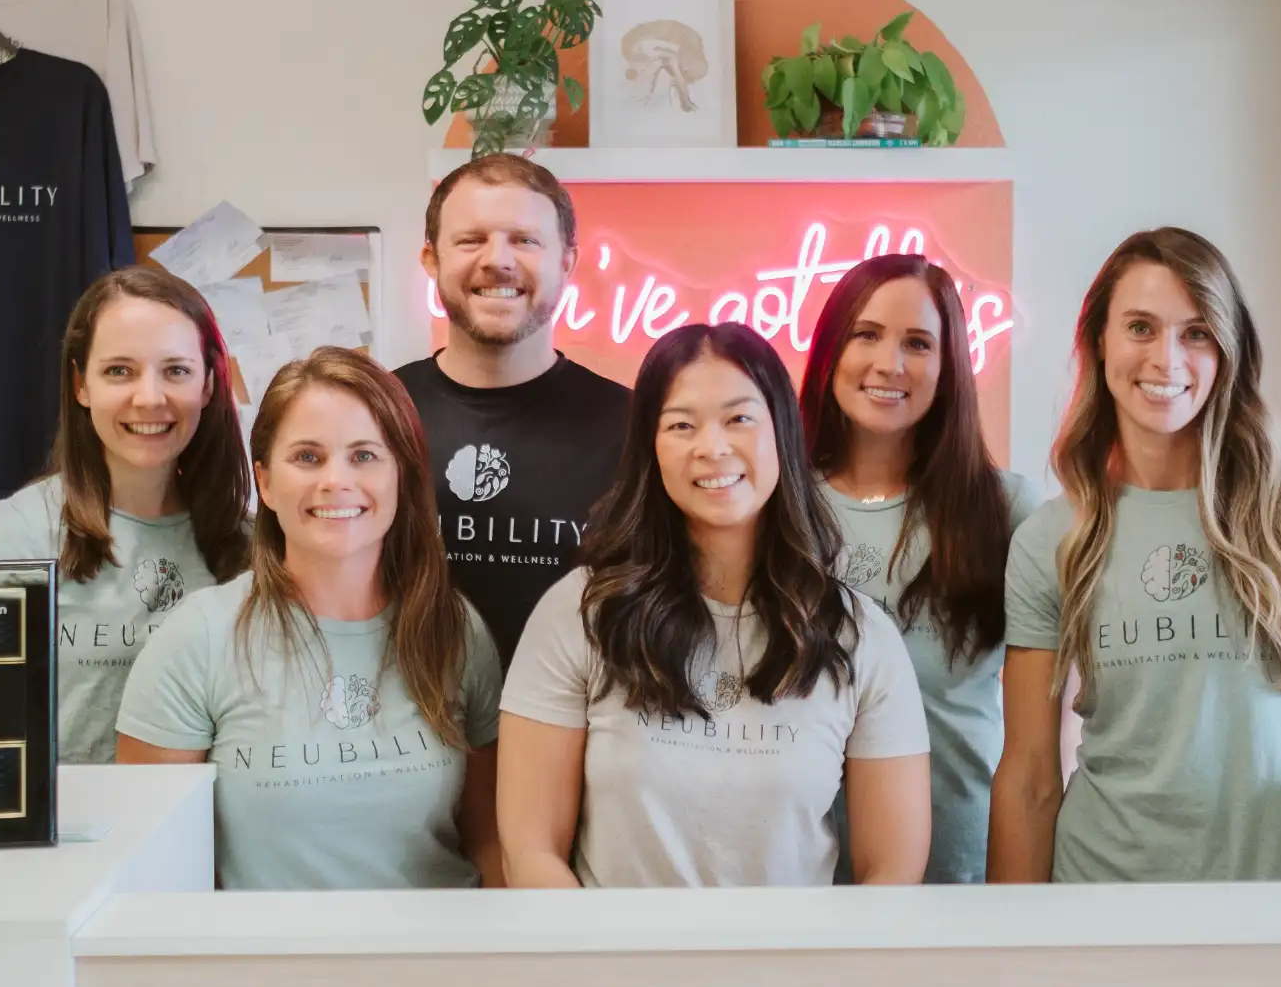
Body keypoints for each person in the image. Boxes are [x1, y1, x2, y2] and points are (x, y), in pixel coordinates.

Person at [988, 227, 1281, 884]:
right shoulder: (1052, 538)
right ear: (1098, 341)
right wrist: (1011, 938)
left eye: (1196, 333)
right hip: (1102, 904)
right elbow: (1029, 778)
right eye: (1140, 328)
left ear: (1228, 350)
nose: (1166, 359)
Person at [498, 322, 932, 888]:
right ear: (650, 448)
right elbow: (530, 850)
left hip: (791, 949)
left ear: (781, 433)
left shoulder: (858, 635)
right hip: (612, 947)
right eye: (681, 425)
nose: (712, 447)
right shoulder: (581, 613)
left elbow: (893, 870)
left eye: (739, 419)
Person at [115, 347, 503, 891]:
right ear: (266, 482)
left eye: (364, 455)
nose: (335, 480)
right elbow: (152, 865)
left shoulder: (453, 628)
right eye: (307, 457)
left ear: (402, 475)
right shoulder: (197, 640)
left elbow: (490, 841)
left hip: (441, 941)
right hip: (266, 947)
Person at [800, 253, 1041, 885]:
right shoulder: (778, 506)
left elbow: (1048, 734)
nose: (890, 364)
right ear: (830, 350)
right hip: (804, 878)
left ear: (949, 365)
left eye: (917, 343)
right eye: (866, 334)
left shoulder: (1007, 510)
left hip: (962, 873)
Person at [0, 266, 251, 765]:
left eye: (176, 370)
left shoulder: (248, 541)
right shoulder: (19, 533)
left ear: (208, 384)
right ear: (81, 384)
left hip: (199, 813)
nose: (150, 398)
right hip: (70, 814)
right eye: (119, 371)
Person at [396, 153, 630, 667]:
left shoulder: (633, 427)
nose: (497, 260)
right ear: (431, 260)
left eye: (524, 240)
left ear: (567, 262)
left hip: (579, 714)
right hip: (406, 715)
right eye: (471, 240)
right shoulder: (377, 414)